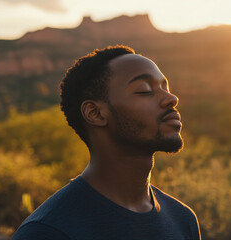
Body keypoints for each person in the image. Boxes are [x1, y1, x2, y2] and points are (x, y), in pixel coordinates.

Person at [12, 45, 201, 240]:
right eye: (145, 90)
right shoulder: (48, 232)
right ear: (96, 113)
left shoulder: (183, 219)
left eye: (165, 88)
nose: (172, 98)